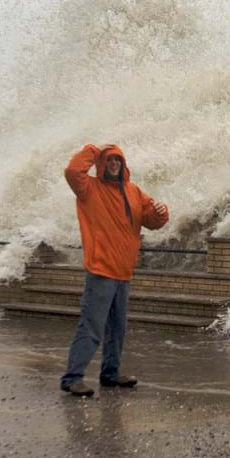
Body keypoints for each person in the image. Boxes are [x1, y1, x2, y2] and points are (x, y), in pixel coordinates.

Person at [60, 144, 169, 396]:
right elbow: (72, 171)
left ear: (123, 165)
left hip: (123, 273)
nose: (114, 164)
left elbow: (151, 221)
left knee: (117, 329)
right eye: (109, 160)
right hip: (101, 270)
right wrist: (94, 149)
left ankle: (110, 374)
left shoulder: (134, 191)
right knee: (92, 326)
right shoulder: (89, 188)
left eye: (117, 160)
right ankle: (72, 377)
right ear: (101, 163)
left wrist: (161, 213)